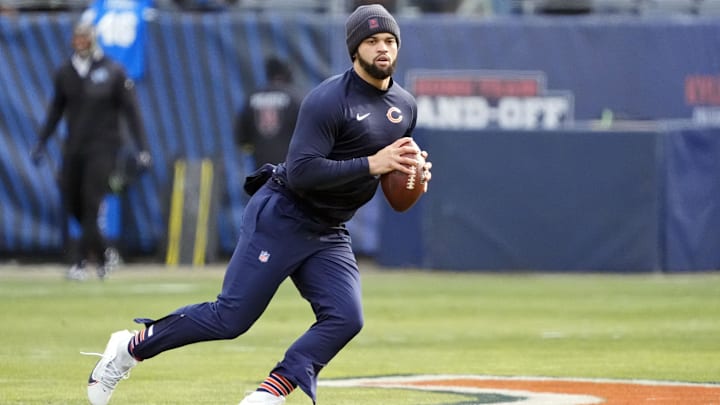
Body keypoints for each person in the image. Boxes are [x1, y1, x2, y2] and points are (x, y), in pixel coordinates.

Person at [84, 4, 432, 405]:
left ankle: (271, 393)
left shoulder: (405, 105)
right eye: (372, 41)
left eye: (389, 40)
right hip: (284, 212)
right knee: (230, 318)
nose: (382, 48)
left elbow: (396, 183)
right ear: (355, 49)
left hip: (329, 228)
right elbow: (302, 171)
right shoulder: (327, 100)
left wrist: (413, 176)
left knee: (345, 318)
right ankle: (129, 348)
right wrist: (373, 163)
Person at [31, 21, 151, 281]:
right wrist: (41, 142)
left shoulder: (113, 71)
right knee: (71, 198)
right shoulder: (65, 71)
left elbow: (132, 112)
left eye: (85, 38)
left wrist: (143, 148)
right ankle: (104, 251)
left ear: (93, 39)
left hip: (104, 147)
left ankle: (80, 260)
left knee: (90, 201)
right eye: (77, 38)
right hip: (74, 147)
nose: (80, 42)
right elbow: (55, 111)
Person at [234, 56, 304, 171]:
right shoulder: (296, 98)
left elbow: (241, 138)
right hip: (291, 170)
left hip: (262, 171)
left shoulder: (252, 98)